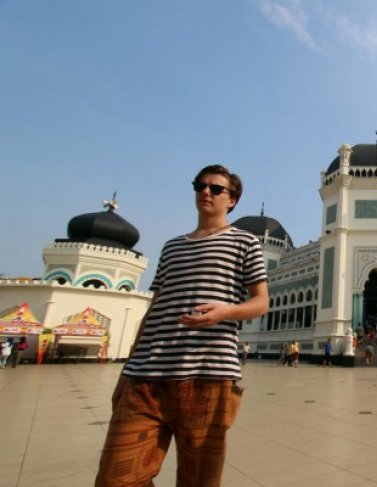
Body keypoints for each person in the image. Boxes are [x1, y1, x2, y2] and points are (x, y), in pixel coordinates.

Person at [95, 164, 269, 487]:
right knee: (114, 478)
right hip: (146, 379)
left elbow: (261, 302)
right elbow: (153, 309)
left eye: (216, 189)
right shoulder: (172, 246)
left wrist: (224, 312)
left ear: (232, 199)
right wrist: (125, 373)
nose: (206, 192)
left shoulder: (246, 243)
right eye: (200, 185)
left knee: (199, 481)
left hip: (209, 377)